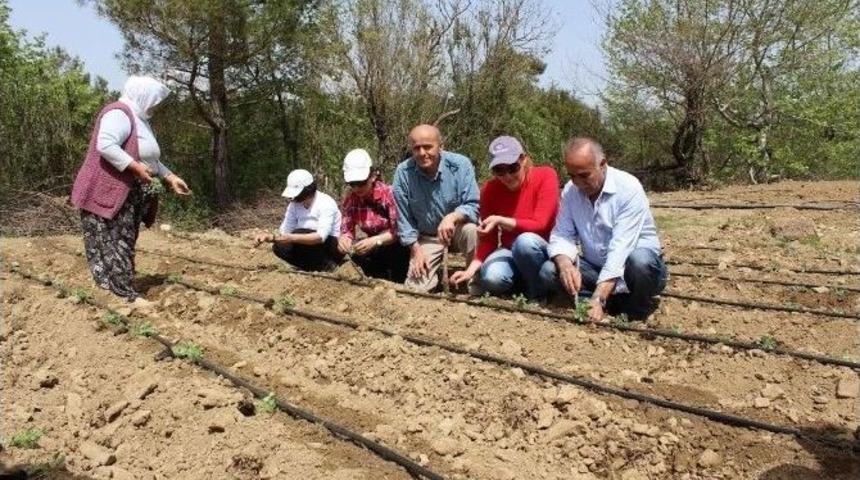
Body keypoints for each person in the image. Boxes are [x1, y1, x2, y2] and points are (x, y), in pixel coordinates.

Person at [70, 75, 190, 304]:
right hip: (108, 191)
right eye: (155, 100)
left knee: (123, 240)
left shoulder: (139, 118)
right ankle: (123, 295)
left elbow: (149, 157)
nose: (156, 106)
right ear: (143, 95)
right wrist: (135, 167)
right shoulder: (118, 112)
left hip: (129, 193)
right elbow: (105, 145)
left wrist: (170, 177)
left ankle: (114, 289)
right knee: (114, 241)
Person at [539, 138, 667, 322]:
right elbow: (562, 234)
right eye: (572, 176)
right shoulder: (570, 191)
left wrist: (599, 296)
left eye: (584, 175)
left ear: (602, 164)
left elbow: (621, 249)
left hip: (632, 270)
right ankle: (605, 304)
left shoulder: (628, 188)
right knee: (549, 270)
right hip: (596, 268)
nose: (577, 182)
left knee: (640, 262)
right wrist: (565, 265)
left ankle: (631, 310)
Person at [449, 136, 559, 300]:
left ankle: (537, 293)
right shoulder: (489, 190)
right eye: (499, 170)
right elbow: (488, 239)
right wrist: (470, 270)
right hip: (510, 250)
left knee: (525, 242)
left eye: (513, 168)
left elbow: (540, 224)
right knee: (492, 278)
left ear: (523, 159)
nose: (507, 176)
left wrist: (501, 220)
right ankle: (521, 287)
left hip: (542, 249)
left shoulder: (545, 176)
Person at [393, 124, 480, 292]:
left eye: (427, 147)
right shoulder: (403, 173)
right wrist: (415, 249)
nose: (422, 153)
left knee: (473, 231)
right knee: (416, 290)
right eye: (416, 148)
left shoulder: (460, 165)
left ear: (440, 146)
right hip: (427, 237)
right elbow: (404, 219)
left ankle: (473, 281)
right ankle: (431, 278)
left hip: (457, 230)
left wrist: (452, 217)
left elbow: (474, 205)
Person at [337, 149, 410, 282]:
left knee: (398, 256)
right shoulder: (350, 200)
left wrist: (375, 241)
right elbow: (347, 229)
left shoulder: (390, 194)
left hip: (398, 245)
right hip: (375, 246)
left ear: (373, 176)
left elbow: (399, 231)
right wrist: (345, 239)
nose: (357, 188)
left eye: (361, 183)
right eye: (352, 184)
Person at [254, 169, 343, 271]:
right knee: (279, 247)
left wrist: (293, 238)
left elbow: (321, 237)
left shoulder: (326, 203)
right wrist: (270, 237)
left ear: (308, 191)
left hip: (329, 246)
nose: (294, 199)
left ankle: (329, 265)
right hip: (306, 246)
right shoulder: (294, 205)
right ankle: (312, 267)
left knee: (299, 233)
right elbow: (285, 231)